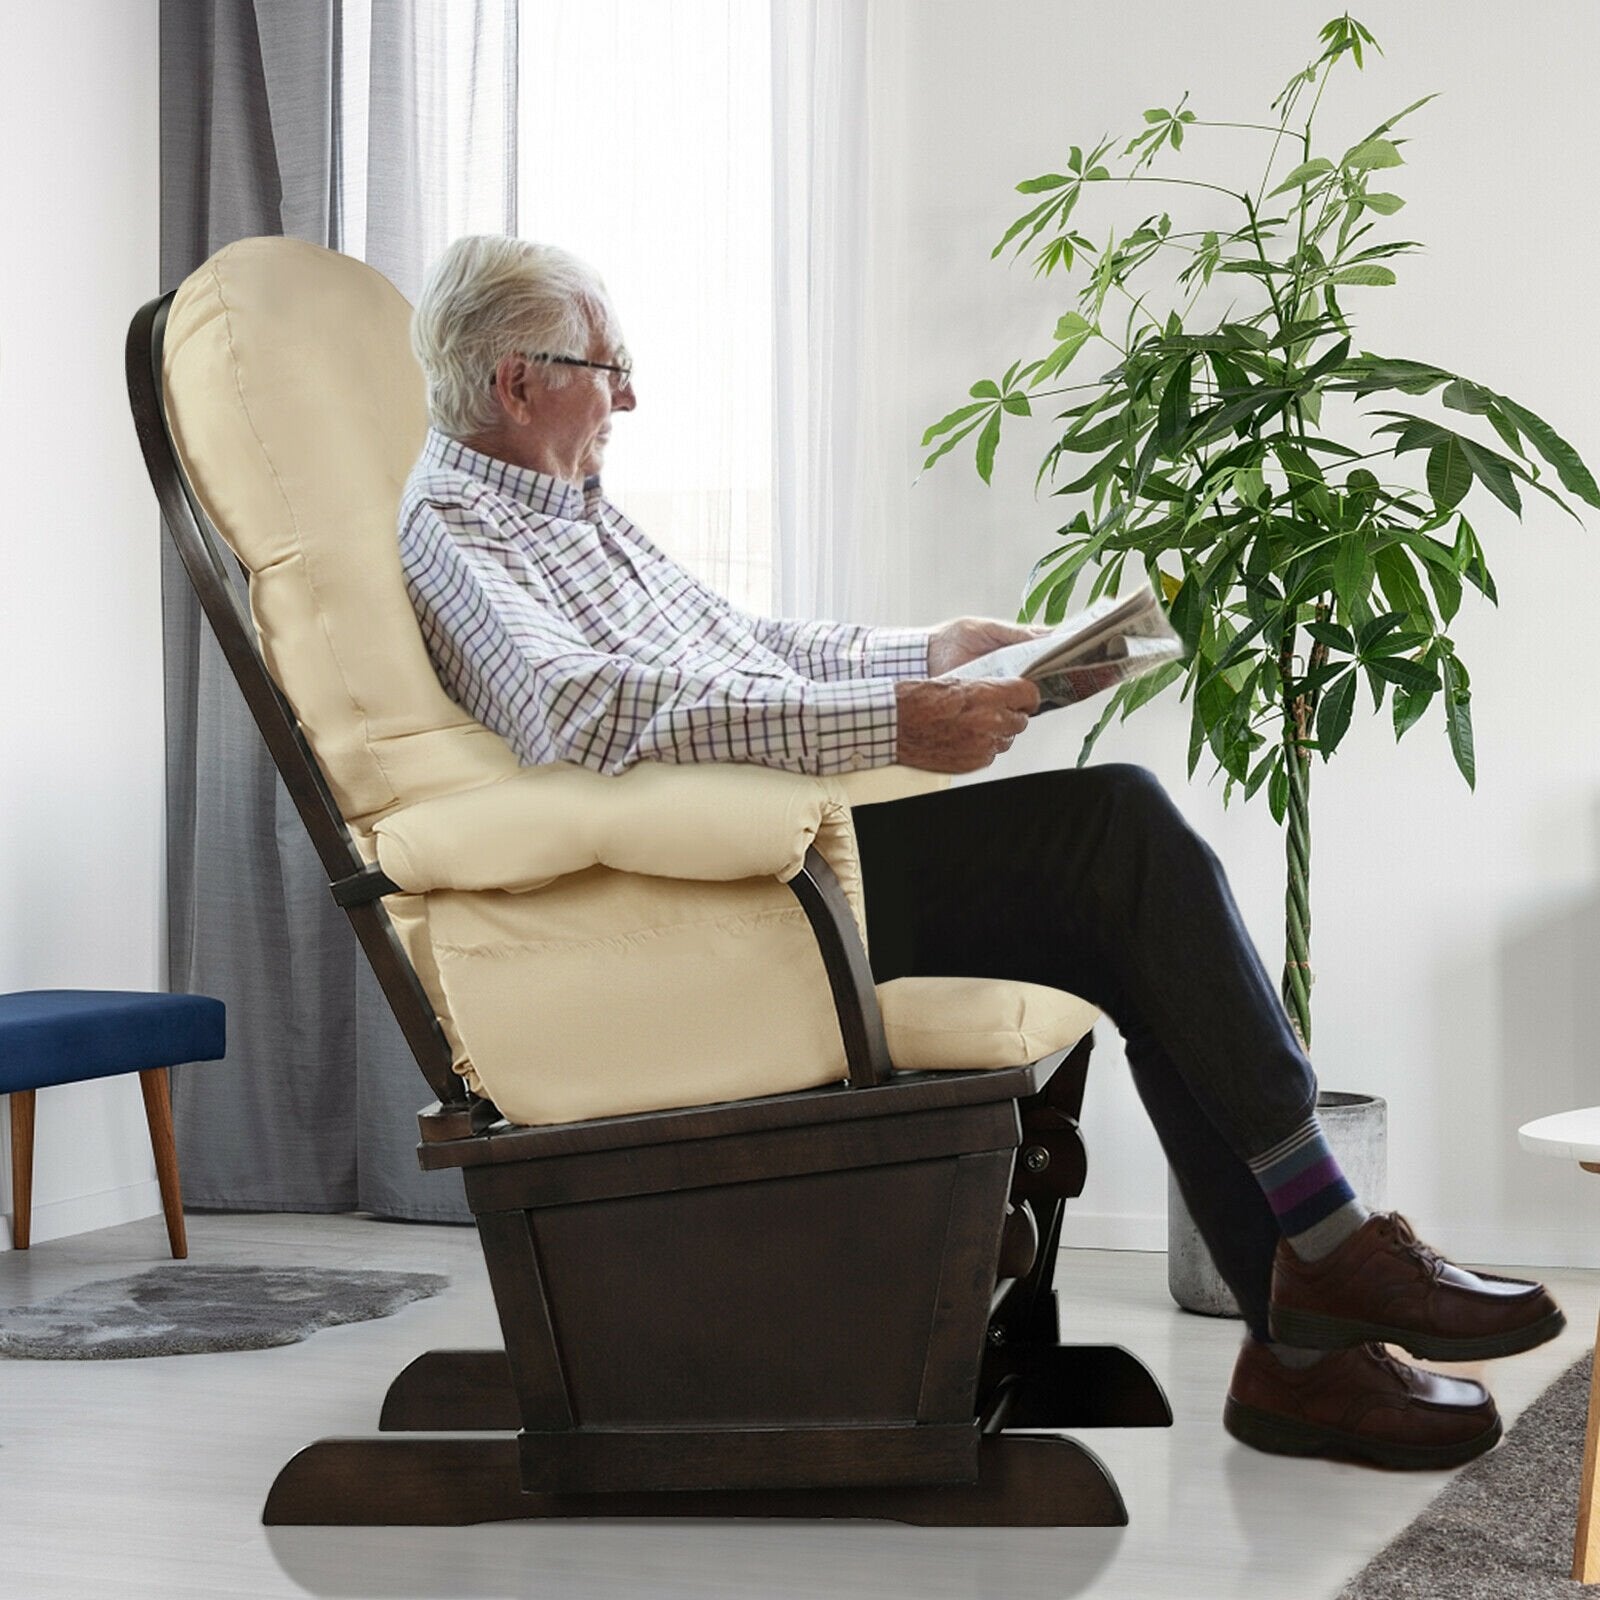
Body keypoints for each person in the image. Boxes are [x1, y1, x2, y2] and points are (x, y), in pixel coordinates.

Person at [398, 234, 1563, 1472]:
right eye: (607, 368)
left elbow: (751, 644)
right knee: (1115, 830)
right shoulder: (458, 526)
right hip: (739, 906)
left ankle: (1307, 1347)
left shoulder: (574, 512)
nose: (628, 396)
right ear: (519, 381)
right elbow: (582, 710)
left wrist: (936, 654)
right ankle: (1326, 1271)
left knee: (1135, 903)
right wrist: (898, 725)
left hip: (788, 865)